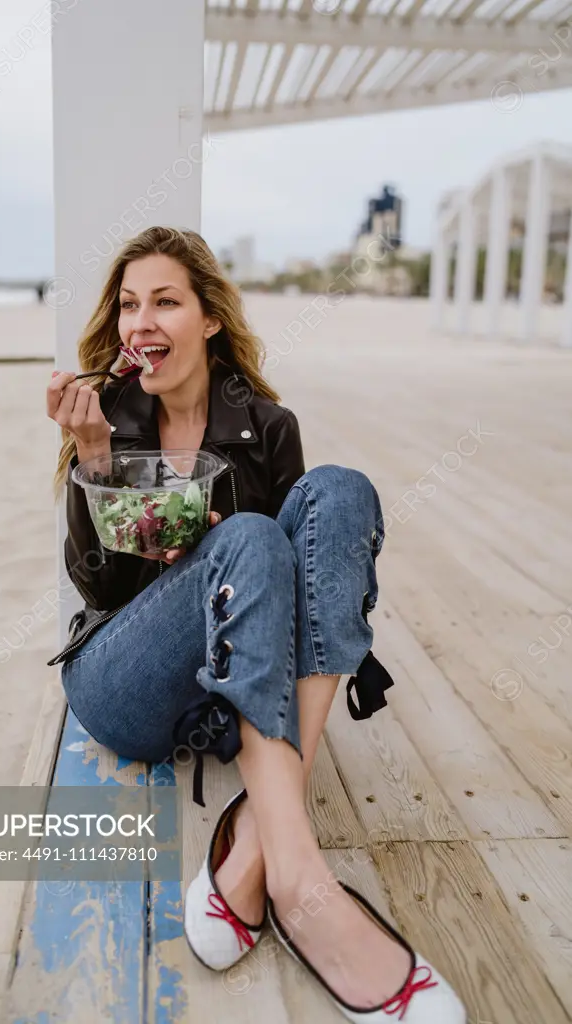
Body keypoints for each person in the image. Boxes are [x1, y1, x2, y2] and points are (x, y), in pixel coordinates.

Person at [45, 226, 466, 1023]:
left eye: (165, 301)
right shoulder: (108, 420)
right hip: (123, 677)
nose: (141, 322)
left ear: (208, 318)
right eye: (129, 305)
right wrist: (92, 457)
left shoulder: (268, 427)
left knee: (341, 491)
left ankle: (258, 852)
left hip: (231, 693)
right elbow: (95, 584)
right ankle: (300, 881)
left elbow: (306, 588)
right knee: (244, 535)